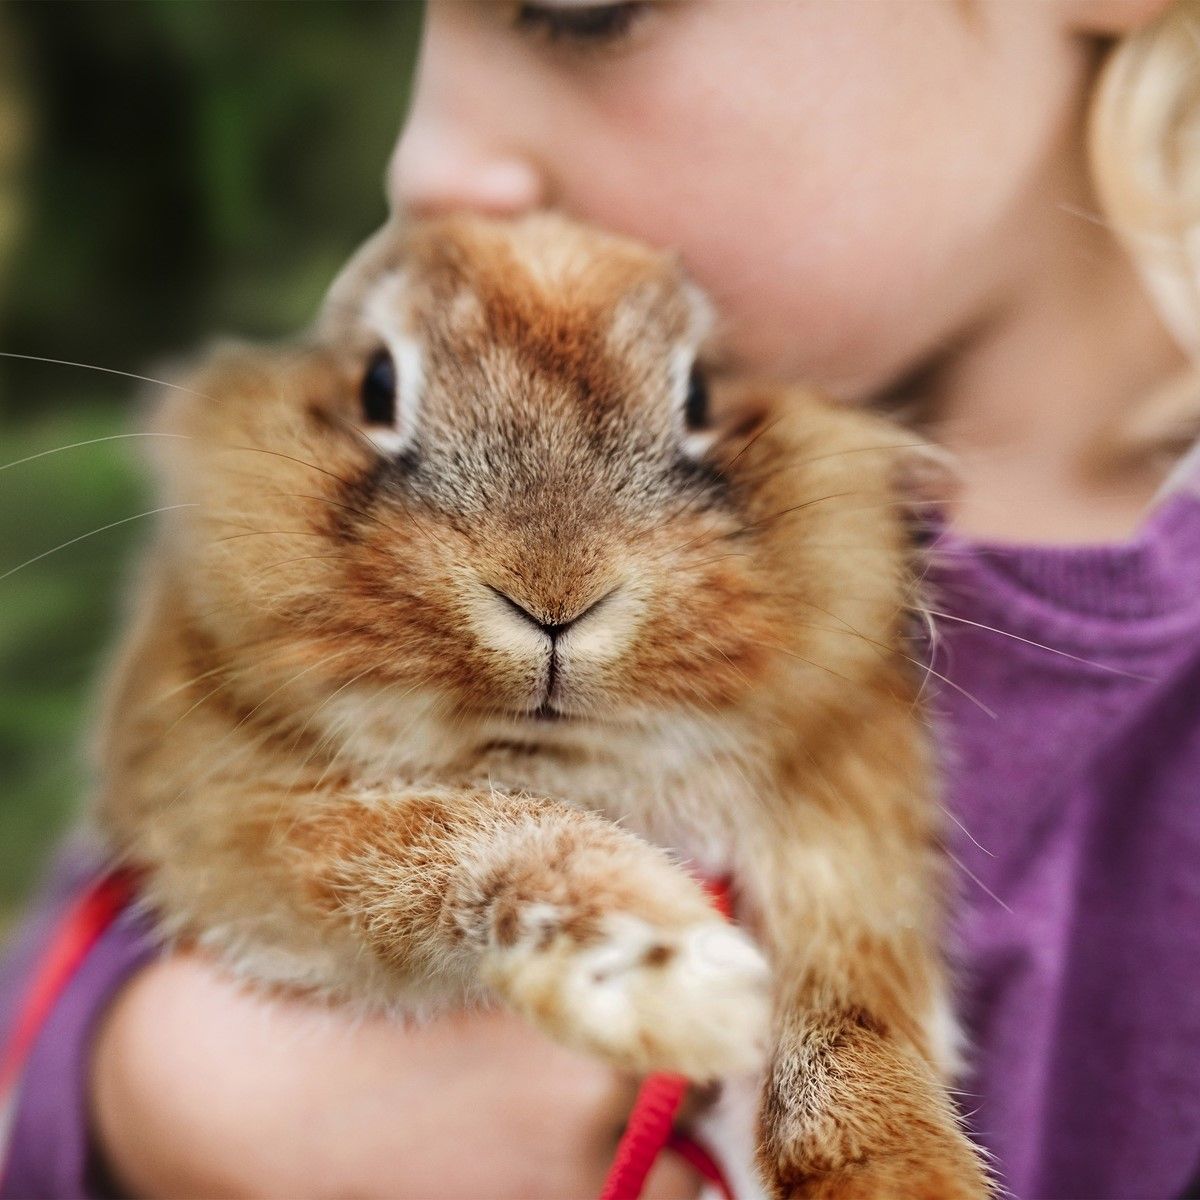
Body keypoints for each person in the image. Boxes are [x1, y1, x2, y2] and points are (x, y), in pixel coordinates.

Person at [5, 2, 1200, 1196]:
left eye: (582, 14)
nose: (424, 163)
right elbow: (139, 870)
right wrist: (152, 1095)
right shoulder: (310, 497)